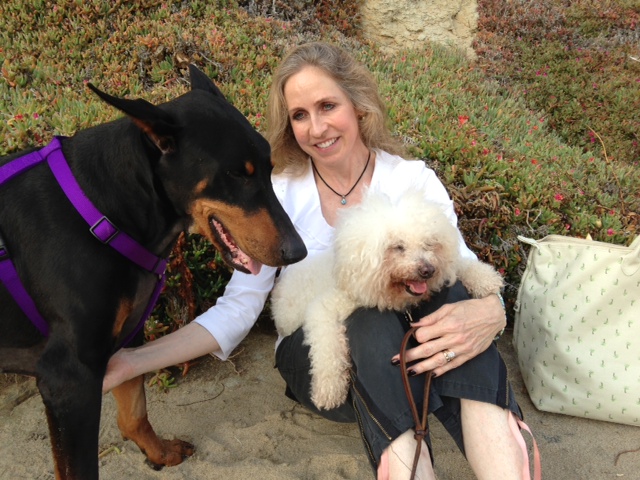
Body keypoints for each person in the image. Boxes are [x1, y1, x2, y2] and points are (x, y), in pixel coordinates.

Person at [104, 42, 533, 479]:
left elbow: (460, 263)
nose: (316, 127)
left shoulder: (411, 179)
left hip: (415, 355)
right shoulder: (280, 193)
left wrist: (492, 311)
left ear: (359, 106)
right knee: (370, 317)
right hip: (322, 363)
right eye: (300, 115)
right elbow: (238, 307)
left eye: (328, 105)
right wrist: (134, 361)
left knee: (453, 295)